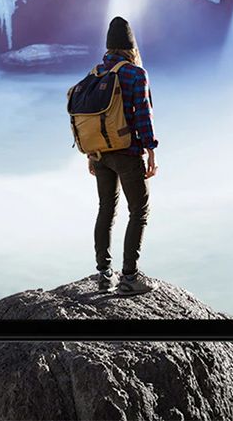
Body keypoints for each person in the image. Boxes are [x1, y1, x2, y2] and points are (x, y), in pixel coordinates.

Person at [89, 16, 159, 296]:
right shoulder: (135, 73)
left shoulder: (96, 72)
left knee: (106, 209)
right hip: (127, 153)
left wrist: (91, 155)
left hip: (99, 153)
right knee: (139, 211)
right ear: (131, 46)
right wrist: (151, 150)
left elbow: (91, 117)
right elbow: (143, 117)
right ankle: (129, 276)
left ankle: (104, 274)